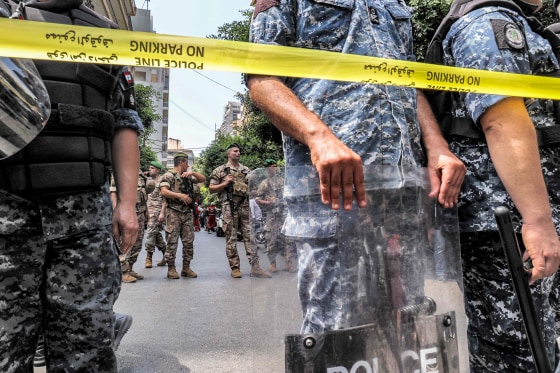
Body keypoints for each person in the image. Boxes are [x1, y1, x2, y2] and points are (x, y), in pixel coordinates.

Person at [247, 0, 465, 334]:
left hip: (402, 194)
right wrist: (318, 136)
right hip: (332, 194)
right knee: (336, 336)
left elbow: (407, 81)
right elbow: (261, 78)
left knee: (405, 328)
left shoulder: (395, 3)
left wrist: (436, 144)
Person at [0, 0, 142, 371]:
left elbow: (124, 122)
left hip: (86, 220)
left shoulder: (108, 33)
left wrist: (127, 202)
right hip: (8, 210)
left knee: (87, 347)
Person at [429, 0, 560, 370]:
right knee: (516, 351)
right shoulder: (490, 22)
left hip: (515, 217)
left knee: (534, 345)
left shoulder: (512, 19)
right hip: (506, 222)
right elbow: (502, 122)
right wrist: (537, 220)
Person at [209, 144, 272, 278]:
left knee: (251, 237)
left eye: (239, 151)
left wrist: (254, 192)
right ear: (229, 154)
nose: (238, 153)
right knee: (231, 238)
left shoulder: (246, 170)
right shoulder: (221, 170)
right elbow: (211, 188)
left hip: (245, 206)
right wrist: (225, 183)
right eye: (235, 151)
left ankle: (255, 267)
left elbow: (253, 188)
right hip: (229, 207)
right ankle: (235, 268)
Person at [159, 153, 206, 279]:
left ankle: (186, 268)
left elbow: (203, 179)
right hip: (173, 212)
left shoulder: (187, 176)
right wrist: (180, 196)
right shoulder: (169, 175)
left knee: (188, 241)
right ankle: (171, 269)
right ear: (182, 163)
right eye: (187, 163)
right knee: (172, 242)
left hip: (187, 213)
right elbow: (164, 191)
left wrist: (193, 173)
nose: (188, 165)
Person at [256, 158, 295, 273]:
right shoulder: (264, 184)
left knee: (288, 240)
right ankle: (272, 263)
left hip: (283, 214)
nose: (273, 168)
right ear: (267, 169)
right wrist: (268, 202)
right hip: (271, 215)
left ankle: (289, 263)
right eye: (270, 167)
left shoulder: (283, 181)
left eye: (274, 166)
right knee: (271, 240)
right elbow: (257, 199)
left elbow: (290, 195)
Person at [111, 168, 148, 283]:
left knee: (137, 243)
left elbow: (143, 194)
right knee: (125, 243)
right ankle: (122, 272)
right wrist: (116, 211)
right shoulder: (120, 168)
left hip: (140, 212)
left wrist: (146, 212)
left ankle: (130, 268)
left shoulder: (140, 172)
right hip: (127, 213)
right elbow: (113, 192)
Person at [144, 161, 167, 268]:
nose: (150, 170)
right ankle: (166, 253)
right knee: (155, 234)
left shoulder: (162, 180)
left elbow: (165, 199)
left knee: (150, 233)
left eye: (152, 168)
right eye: (149, 168)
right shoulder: (147, 181)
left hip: (157, 211)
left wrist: (162, 212)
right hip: (147, 211)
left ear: (158, 170)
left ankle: (149, 257)